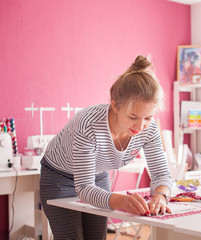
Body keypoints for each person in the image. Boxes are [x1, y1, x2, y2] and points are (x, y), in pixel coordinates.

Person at [40, 55, 174, 239]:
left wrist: (160, 195)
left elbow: (162, 175)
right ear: (115, 106)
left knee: (96, 237)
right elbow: (85, 188)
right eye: (133, 117)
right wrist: (122, 201)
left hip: (97, 174)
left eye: (148, 117)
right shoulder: (88, 123)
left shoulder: (148, 129)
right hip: (59, 176)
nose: (140, 126)